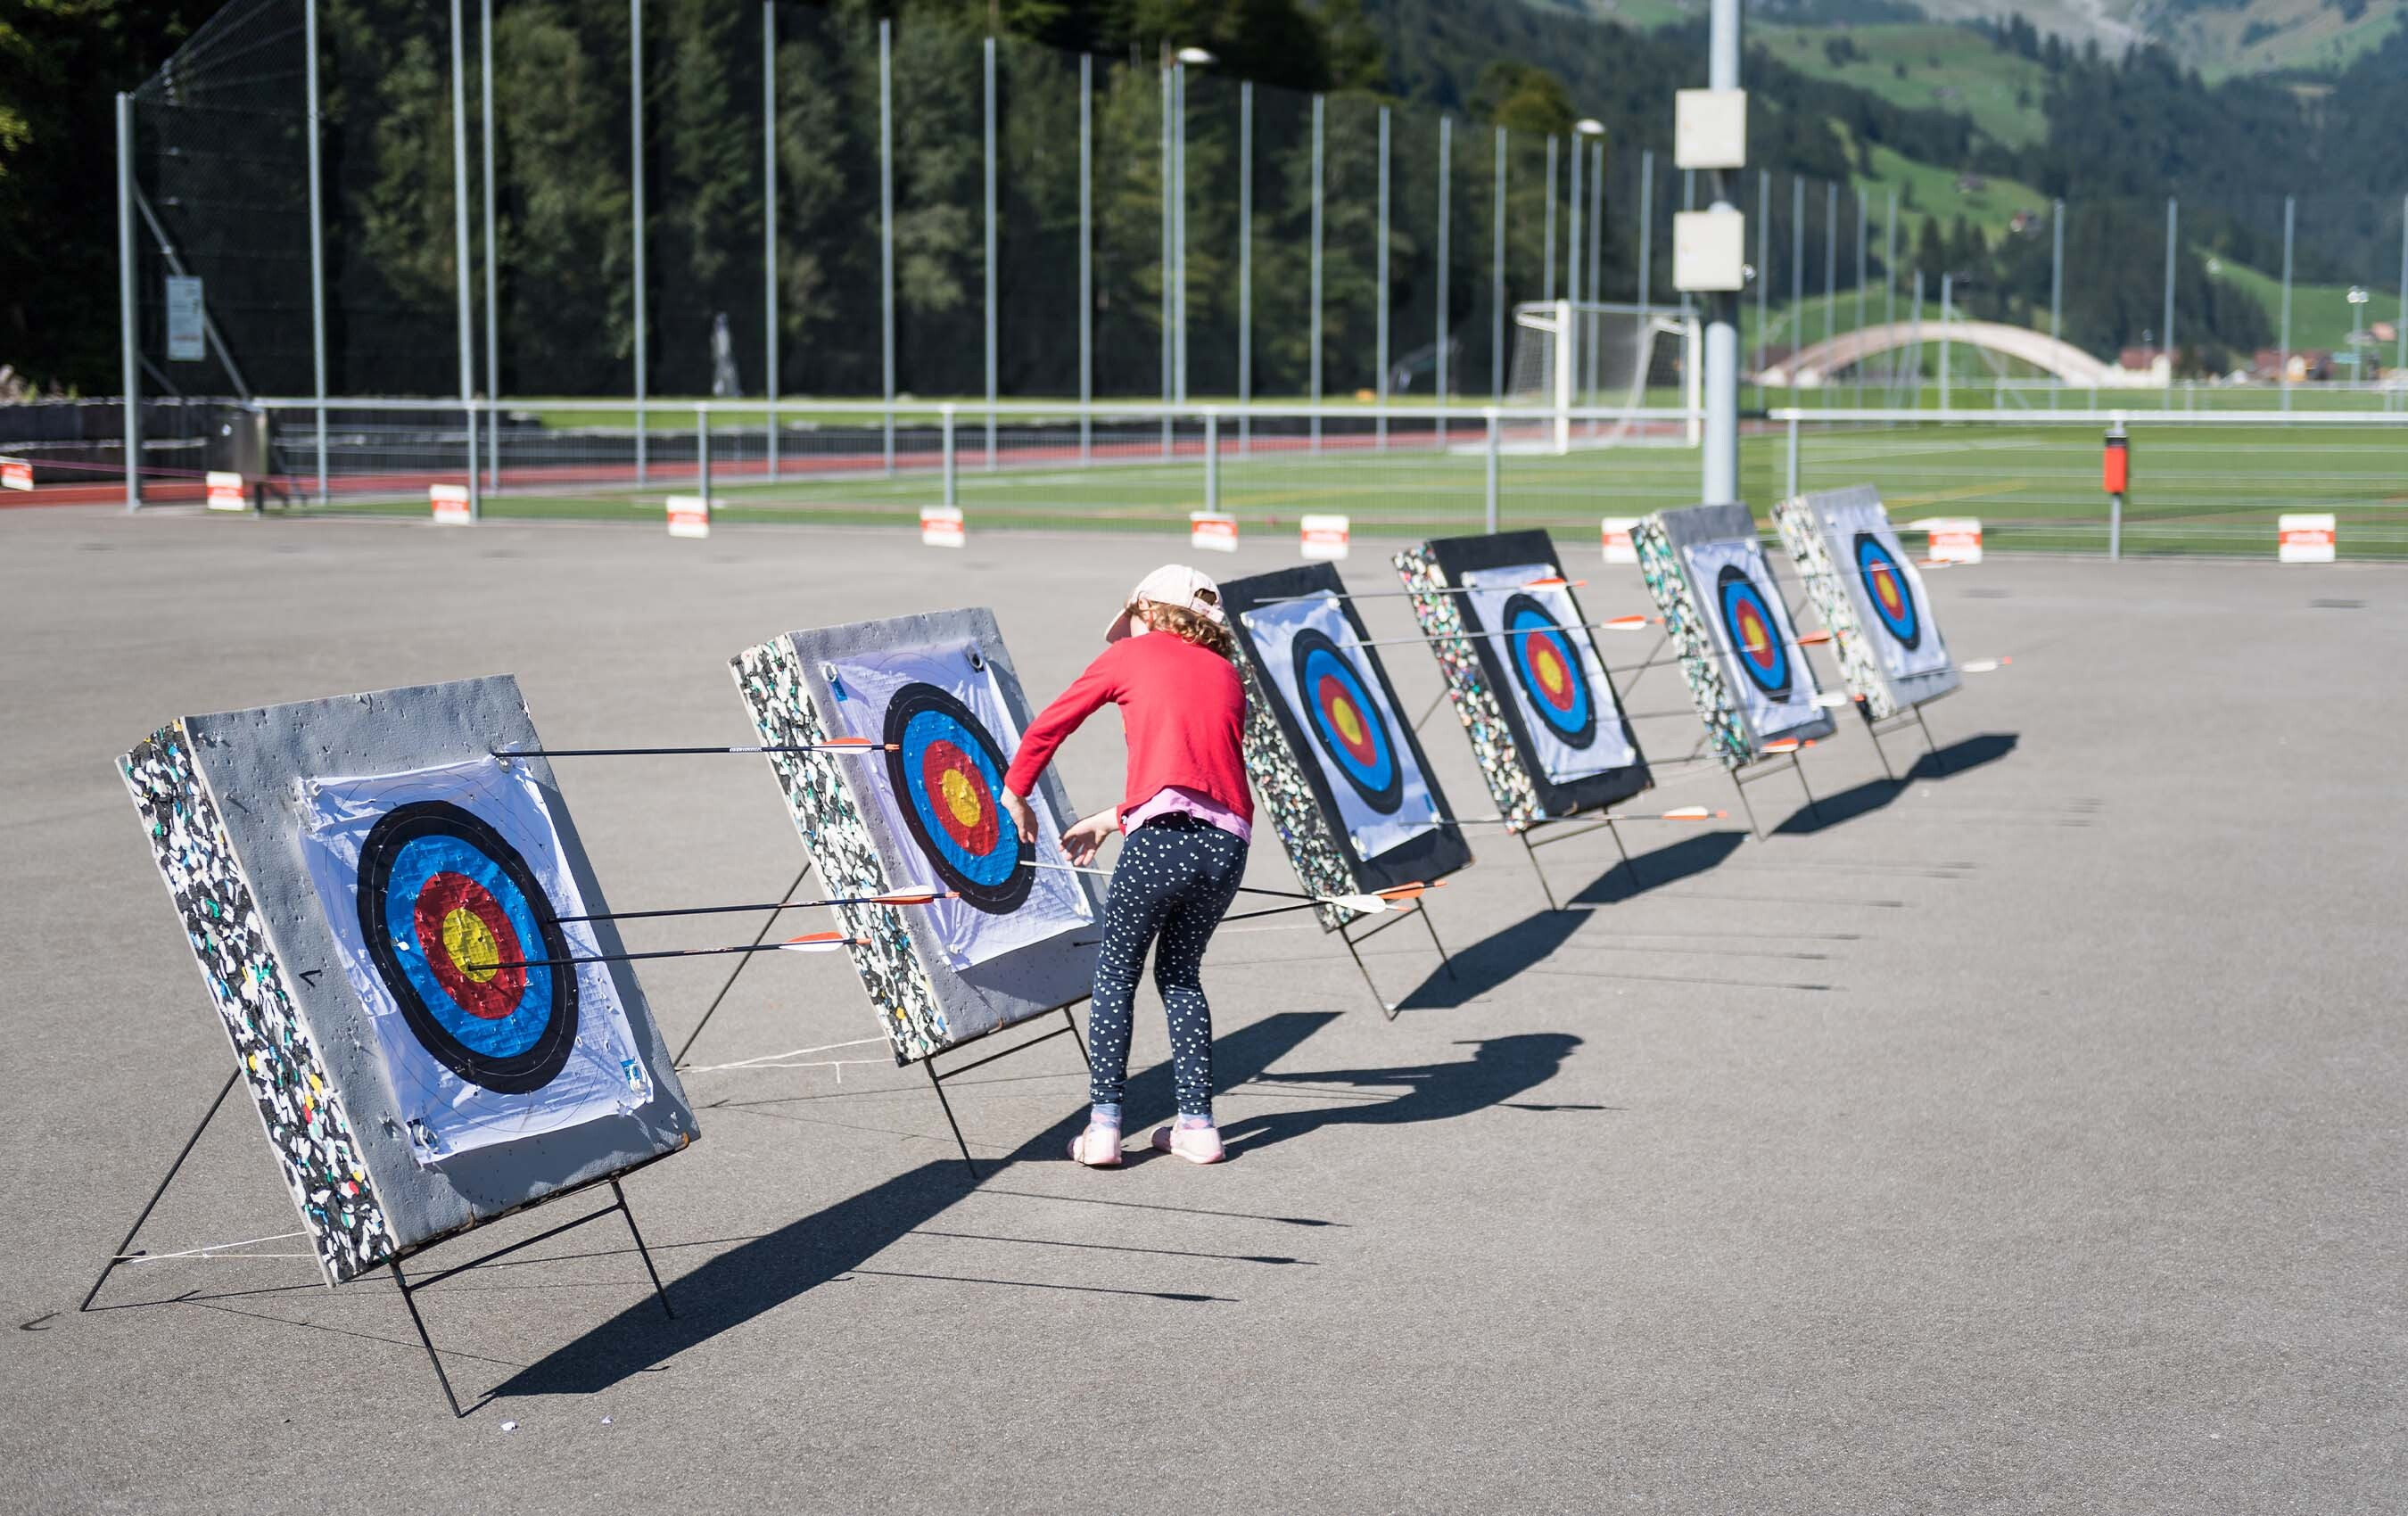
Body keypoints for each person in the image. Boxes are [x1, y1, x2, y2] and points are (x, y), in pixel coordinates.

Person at [1002, 564, 1251, 1167]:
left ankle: (1105, 1128)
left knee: (1115, 973)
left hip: (1161, 842)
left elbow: (1051, 724)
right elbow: (1198, 776)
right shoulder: (1226, 674)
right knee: (1182, 976)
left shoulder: (1132, 656)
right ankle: (1197, 1126)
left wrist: (1016, 790)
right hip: (1227, 847)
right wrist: (1110, 819)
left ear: (1146, 610)